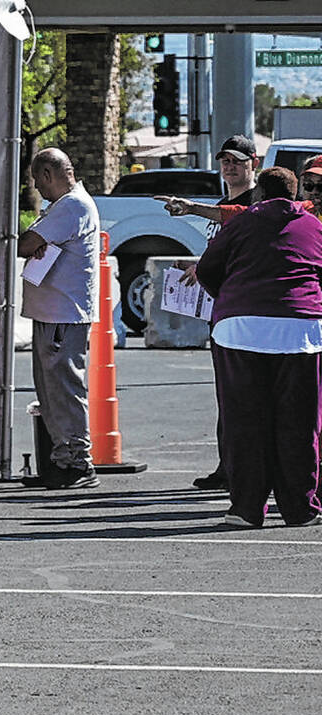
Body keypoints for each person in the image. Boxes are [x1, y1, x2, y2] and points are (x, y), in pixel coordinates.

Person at [195, 166, 322, 528]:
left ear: (258, 195)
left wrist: (234, 300)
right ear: (296, 195)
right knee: (299, 422)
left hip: (241, 331)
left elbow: (207, 269)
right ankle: (301, 508)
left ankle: (246, 509)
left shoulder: (241, 223)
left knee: (245, 421)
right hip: (302, 332)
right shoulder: (313, 226)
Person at [154, 133, 260, 492]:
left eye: (237, 161)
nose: (229, 167)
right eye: (225, 161)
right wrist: (201, 265)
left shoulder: (257, 203)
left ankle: (244, 469)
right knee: (228, 395)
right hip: (223, 309)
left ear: (254, 164)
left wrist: (190, 207)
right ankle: (228, 464)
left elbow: (240, 226)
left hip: (247, 313)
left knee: (246, 395)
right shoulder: (223, 200)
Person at [17, 148, 100, 490]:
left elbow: (26, 244)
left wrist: (34, 240)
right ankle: (63, 458)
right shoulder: (65, 207)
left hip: (63, 314)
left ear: (49, 175)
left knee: (64, 389)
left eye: (39, 182)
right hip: (55, 312)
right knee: (52, 390)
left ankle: (78, 462)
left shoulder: (71, 206)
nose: (39, 189)